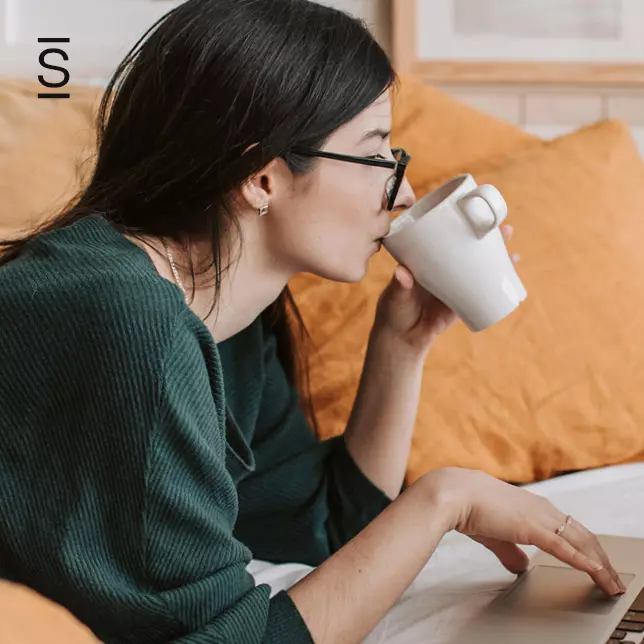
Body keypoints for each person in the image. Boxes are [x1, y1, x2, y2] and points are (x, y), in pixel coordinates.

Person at [0, 0, 625, 642]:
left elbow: (323, 530)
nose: (403, 192)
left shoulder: (224, 310)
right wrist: (446, 500)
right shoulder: (125, 322)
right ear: (263, 178)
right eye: (377, 155)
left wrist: (402, 345)